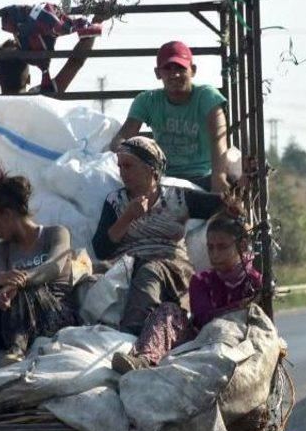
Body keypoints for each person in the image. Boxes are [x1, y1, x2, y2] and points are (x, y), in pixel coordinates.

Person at [91, 136, 223, 336]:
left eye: (129, 166)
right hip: (128, 267)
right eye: (120, 167)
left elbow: (222, 205)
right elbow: (101, 249)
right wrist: (127, 217)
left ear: (150, 169)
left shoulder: (176, 198)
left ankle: (132, 333)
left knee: (149, 272)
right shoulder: (116, 202)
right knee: (90, 282)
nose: (122, 173)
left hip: (171, 269)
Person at [111, 205, 262, 374]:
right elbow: (204, 318)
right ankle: (143, 359)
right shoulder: (201, 281)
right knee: (168, 310)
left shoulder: (255, 282)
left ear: (241, 246)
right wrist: (241, 306)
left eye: (222, 247)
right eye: (210, 247)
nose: (215, 254)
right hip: (203, 340)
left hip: (238, 342)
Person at [0, 169, 77, 365]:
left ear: (7, 214)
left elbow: (53, 267)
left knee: (24, 286)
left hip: (54, 316)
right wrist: (1, 288)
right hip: (12, 321)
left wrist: (21, 280)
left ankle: (17, 349)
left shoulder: (55, 234)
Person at [109, 40, 229, 192]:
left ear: (193, 70)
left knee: (225, 210)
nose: (175, 74)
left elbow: (219, 138)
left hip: (202, 177)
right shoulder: (147, 100)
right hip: (162, 179)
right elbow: (123, 137)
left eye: (181, 68)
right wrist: (128, 158)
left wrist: (219, 177)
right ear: (158, 73)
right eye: (168, 68)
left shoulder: (207, 97)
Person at [0, 3, 108, 95]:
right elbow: (75, 62)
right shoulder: (42, 96)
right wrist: (95, 22)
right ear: (28, 78)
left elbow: (75, 63)